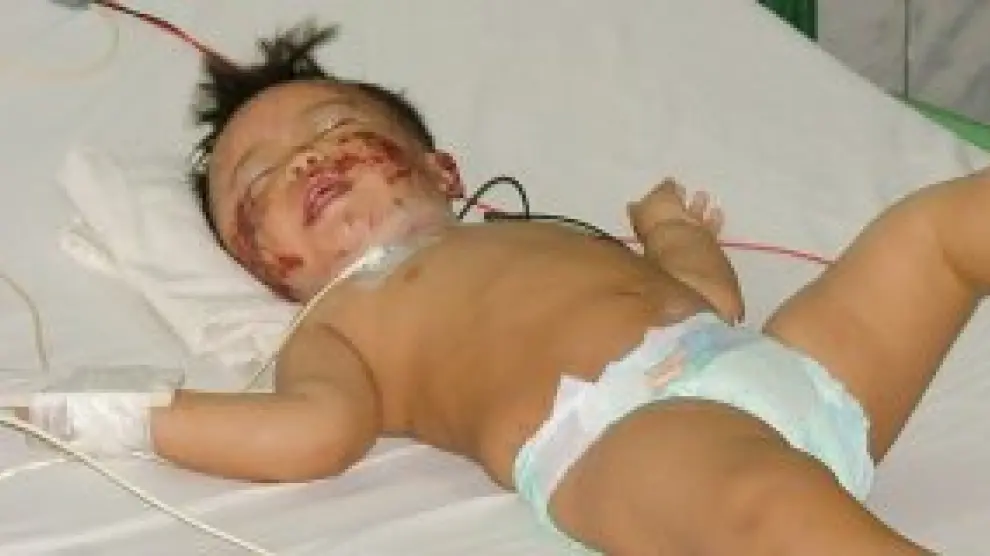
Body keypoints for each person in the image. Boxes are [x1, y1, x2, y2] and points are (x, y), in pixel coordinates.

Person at [20, 22, 990, 555]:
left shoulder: (532, 238)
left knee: (943, 230)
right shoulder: (335, 322)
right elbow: (314, 431)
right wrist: (122, 414)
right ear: (260, 267)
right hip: (620, 435)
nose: (302, 162)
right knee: (768, 508)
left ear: (440, 170)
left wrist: (671, 232)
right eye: (258, 182)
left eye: (328, 128)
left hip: (767, 366)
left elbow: (711, 298)